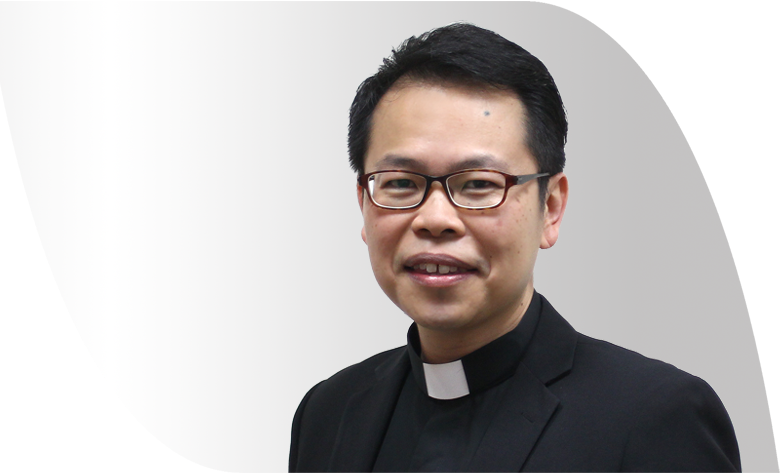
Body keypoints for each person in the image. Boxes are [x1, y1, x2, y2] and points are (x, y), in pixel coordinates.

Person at [289, 23, 740, 472]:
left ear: (552, 208)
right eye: (402, 183)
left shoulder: (655, 419)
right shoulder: (328, 413)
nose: (435, 219)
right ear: (364, 203)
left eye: (480, 184)